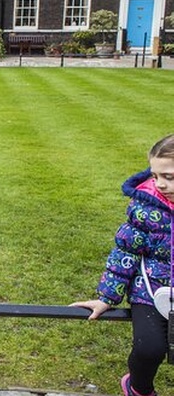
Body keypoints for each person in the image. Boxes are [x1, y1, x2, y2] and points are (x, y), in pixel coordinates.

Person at [71, 134, 174, 396]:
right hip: (150, 288)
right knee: (148, 348)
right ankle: (137, 387)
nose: (161, 184)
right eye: (155, 175)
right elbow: (124, 252)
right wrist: (107, 297)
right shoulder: (145, 206)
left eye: (169, 177)